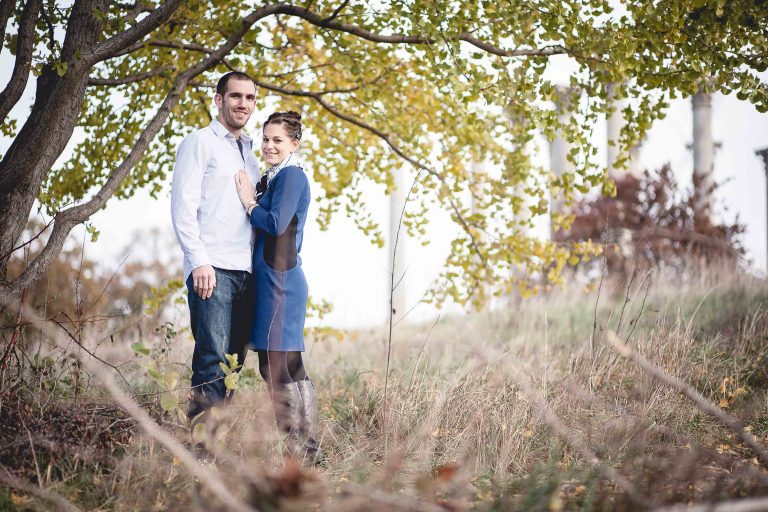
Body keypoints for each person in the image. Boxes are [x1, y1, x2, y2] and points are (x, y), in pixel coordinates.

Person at [170, 71, 260, 425]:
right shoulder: (200, 142)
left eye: (250, 98)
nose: (243, 104)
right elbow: (182, 208)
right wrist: (199, 262)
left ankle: (217, 444)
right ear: (219, 100)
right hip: (213, 270)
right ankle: (200, 454)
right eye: (236, 96)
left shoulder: (253, 151)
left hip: (247, 272)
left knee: (234, 363)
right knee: (211, 360)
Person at [234, 111, 320, 460]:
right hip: (275, 279)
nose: (269, 145)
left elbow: (275, 223)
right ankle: (307, 448)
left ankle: (299, 449)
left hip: (280, 281)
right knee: (288, 364)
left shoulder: (291, 177)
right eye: (266, 139)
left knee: (274, 366)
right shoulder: (276, 176)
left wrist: (248, 201)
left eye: (278, 140)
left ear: (293, 145)